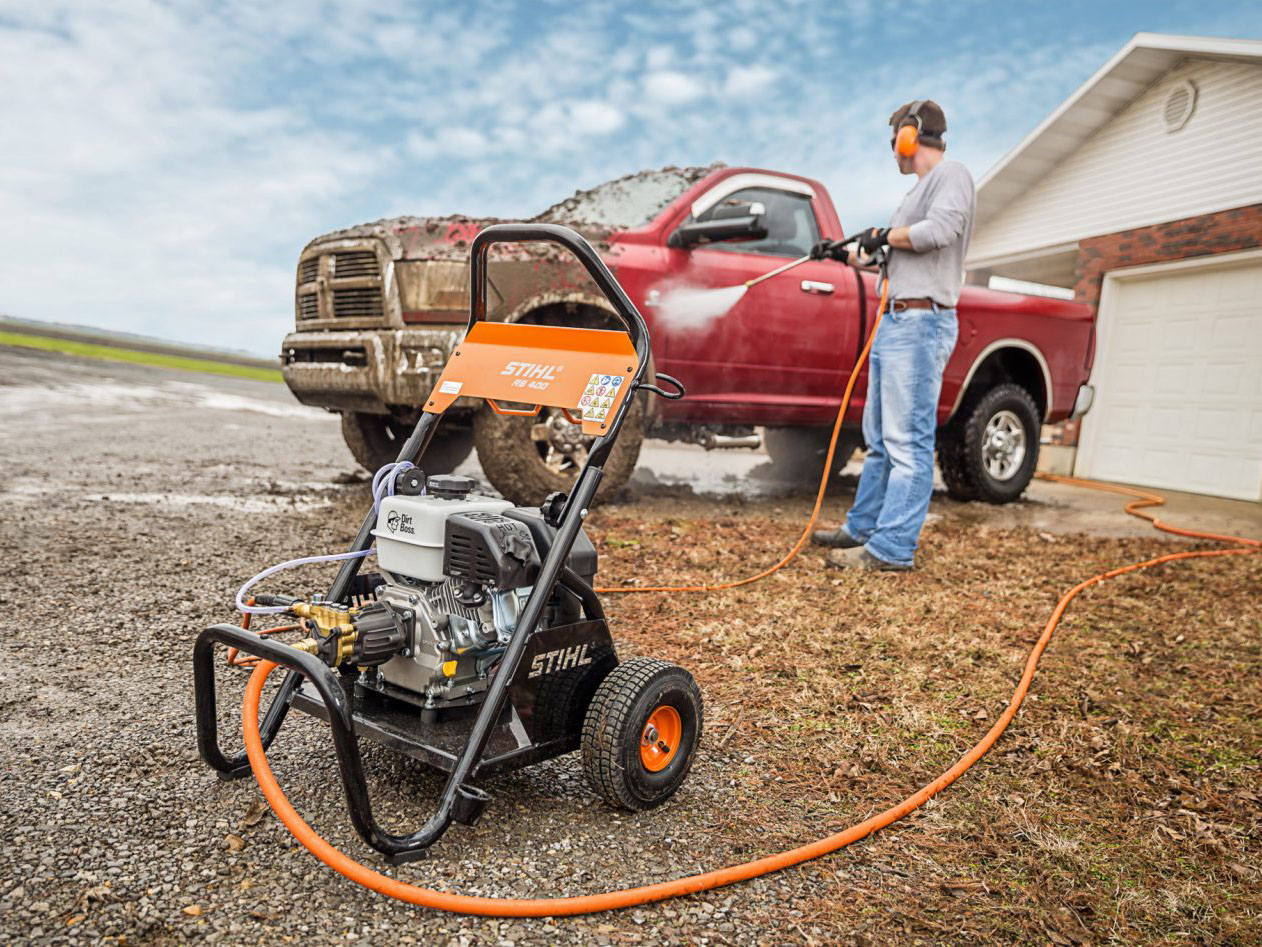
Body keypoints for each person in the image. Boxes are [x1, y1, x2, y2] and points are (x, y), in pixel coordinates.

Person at [809, 99, 975, 572]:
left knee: (908, 442)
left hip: (922, 323)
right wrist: (843, 255)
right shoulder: (914, 195)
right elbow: (889, 252)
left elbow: (938, 231)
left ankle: (893, 549)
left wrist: (886, 235)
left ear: (911, 135)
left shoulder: (952, 175)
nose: (892, 151)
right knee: (880, 439)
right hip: (896, 320)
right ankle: (863, 529)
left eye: (894, 140)